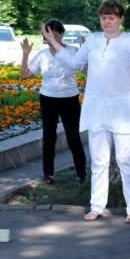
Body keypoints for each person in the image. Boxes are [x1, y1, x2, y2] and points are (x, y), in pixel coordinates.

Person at [43, 0, 130, 224]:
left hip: (123, 109)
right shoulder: (93, 40)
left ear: (121, 19)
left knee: (127, 159)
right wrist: (52, 41)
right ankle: (97, 205)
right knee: (99, 161)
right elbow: (74, 62)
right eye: (103, 17)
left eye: (111, 17)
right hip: (97, 108)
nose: (107, 21)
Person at [20, 19, 87, 184]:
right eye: (47, 36)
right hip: (48, 100)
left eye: (54, 36)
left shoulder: (72, 51)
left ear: (62, 35)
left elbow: (86, 71)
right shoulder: (42, 55)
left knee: (73, 138)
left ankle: (81, 174)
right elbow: (25, 74)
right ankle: (48, 175)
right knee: (48, 138)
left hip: (70, 99)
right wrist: (26, 54)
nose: (50, 40)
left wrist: (86, 51)